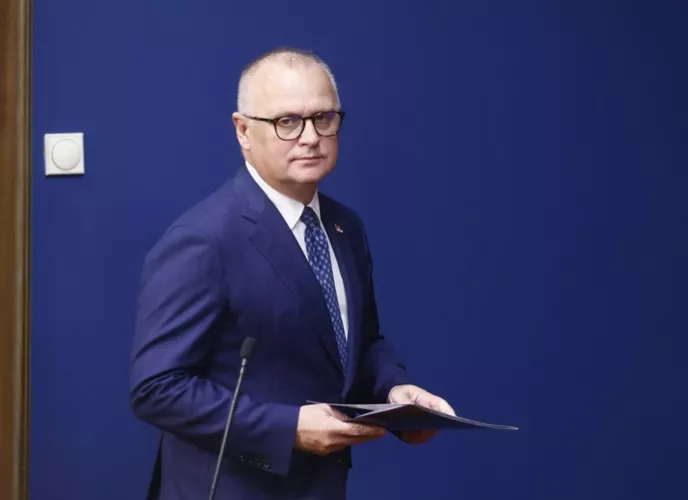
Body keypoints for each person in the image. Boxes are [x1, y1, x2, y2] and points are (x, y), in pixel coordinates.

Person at [129, 46, 454, 500]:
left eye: (323, 118)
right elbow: (157, 388)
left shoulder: (345, 227)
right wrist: (288, 428)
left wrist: (395, 394)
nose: (310, 137)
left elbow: (357, 343)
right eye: (287, 122)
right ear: (243, 130)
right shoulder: (203, 239)